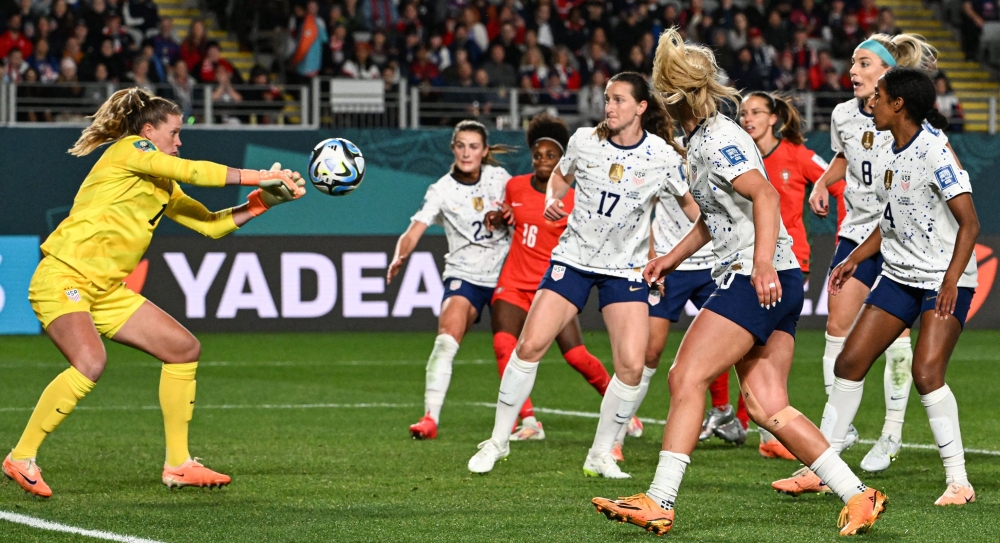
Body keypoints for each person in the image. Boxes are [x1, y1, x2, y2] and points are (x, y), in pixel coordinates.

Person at [592, 30, 886, 537]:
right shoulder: (698, 140)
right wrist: (669, 258)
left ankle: (659, 500)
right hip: (775, 275)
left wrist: (762, 266)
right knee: (770, 407)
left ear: (672, 95)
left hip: (759, 278)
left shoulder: (719, 138)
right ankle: (859, 495)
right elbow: (714, 219)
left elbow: (766, 196)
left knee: (685, 377)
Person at [1, 88, 306, 498]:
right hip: (65, 276)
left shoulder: (162, 184)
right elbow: (197, 172)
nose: (180, 142)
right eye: (175, 133)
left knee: (182, 348)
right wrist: (259, 175)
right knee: (90, 361)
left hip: (107, 290)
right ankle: (21, 457)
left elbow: (211, 225)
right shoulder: (130, 149)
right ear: (149, 132)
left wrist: (263, 202)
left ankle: (178, 465)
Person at [466, 72, 695, 479]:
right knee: (530, 344)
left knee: (630, 367)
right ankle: (498, 441)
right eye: (607, 99)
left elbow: (692, 209)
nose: (610, 107)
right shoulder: (584, 141)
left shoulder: (661, 155)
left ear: (641, 108)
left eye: (620, 100)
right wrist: (554, 197)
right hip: (573, 259)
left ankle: (601, 453)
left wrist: (698, 249)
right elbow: (560, 175)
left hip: (624, 269)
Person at [824, 67, 979, 506]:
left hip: (942, 280)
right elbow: (890, 220)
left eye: (880, 95)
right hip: (899, 275)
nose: (871, 102)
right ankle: (826, 466)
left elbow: (971, 223)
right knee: (849, 363)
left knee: (927, 373)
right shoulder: (892, 149)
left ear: (899, 105)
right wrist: (855, 258)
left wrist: (950, 281)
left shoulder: (935, 152)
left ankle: (958, 482)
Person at [803, 34, 949, 479]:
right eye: (852, 62)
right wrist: (821, 182)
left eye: (863, 63)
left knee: (897, 345)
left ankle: (890, 433)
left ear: (886, 74)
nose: (852, 70)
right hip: (856, 232)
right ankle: (840, 431)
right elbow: (844, 158)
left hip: (900, 237)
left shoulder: (907, 117)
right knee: (836, 327)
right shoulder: (845, 114)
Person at [483, 113, 639, 442]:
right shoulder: (514, 186)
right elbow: (505, 215)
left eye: (550, 155)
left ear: (562, 159)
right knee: (503, 346)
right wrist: (499, 217)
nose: (543, 160)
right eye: (538, 155)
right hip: (513, 282)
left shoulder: (575, 195)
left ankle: (625, 412)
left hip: (554, 287)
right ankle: (527, 421)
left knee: (576, 356)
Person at [736, 90, 848, 459]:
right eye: (742, 113)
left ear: (774, 118)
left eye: (755, 112)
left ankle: (767, 423)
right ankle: (764, 423)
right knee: (753, 340)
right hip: (743, 257)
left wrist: (843, 225)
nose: (747, 118)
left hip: (787, 262)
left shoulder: (796, 155)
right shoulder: (739, 157)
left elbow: (838, 182)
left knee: (757, 339)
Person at [388, 120, 512, 440]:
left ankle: (529, 420)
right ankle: (430, 418)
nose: (467, 152)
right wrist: (400, 255)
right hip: (465, 275)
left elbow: (522, 213)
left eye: (474, 146)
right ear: (453, 148)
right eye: (461, 145)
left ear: (484, 151)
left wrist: (509, 215)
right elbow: (415, 228)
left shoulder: (500, 179)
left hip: (505, 273)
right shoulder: (441, 189)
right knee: (445, 341)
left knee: (517, 348)